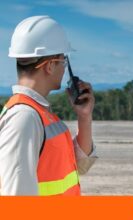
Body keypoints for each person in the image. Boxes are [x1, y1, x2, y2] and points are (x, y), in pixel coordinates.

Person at [0, 16, 97, 195]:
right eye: (63, 61)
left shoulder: (38, 112)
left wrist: (84, 117)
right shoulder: (24, 118)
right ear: (50, 66)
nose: (63, 68)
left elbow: (78, 165)